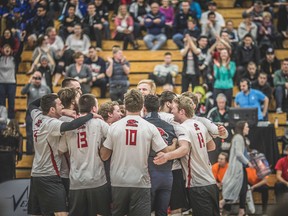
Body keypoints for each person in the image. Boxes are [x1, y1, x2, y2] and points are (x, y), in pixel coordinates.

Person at [99, 89, 169, 216]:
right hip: (141, 181)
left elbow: (104, 156)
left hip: (118, 181)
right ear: (142, 106)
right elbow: (164, 153)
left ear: (125, 106)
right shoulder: (150, 127)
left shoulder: (114, 127)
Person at [27, 94, 98, 215]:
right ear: (52, 109)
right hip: (49, 176)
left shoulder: (37, 116)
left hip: (35, 174)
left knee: (37, 213)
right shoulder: (51, 124)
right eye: (60, 104)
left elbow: (32, 105)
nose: (63, 106)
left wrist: (53, 96)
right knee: (61, 213)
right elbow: (72, 125)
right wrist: (91, 115)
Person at [155, 95, 219, 216]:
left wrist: (166, 156)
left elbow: (184, 149)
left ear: (182, 111)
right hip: (210, 182)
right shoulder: (199, 124)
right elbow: (211, 146)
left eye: (174, 109)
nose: (172, 112)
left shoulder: (182, 127)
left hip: (197, 184)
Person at [59, 94, 111, 216]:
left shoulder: (70, 126)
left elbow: (60, 150)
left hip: (76, 181)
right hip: (97, 179)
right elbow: (115, 140)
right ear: (94, 109)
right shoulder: (99, 123)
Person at [143, 94, 178, 216]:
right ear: (159, 109)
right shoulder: (169, 126)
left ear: (144, 108)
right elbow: (176, 148)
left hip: (148, 173)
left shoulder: (142, 124)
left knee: (145, 212)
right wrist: (173, 145)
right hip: (167, 175)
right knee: (162, 212)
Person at [220, 121, 252, 216]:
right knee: (236, 188)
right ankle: (222, 203)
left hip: (240, 167)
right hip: (238, 168)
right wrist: (248, 162)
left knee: (243, 188)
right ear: (242, 128)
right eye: (247, 127)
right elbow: (238, 153)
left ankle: (241, 211)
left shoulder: (241, 138)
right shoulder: (238, 138)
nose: (248, 128)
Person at [21, 71, 51, 155]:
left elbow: (51, 99)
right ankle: (29, 152)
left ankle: (41, 152)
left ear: (42, 79)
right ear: (33, 78)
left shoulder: (46, 88)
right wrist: (30, 81)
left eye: (39, 78)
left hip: (43, 114)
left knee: (43, 133)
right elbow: (22, 92)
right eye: (35, 78)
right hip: (30, 113)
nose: (37, 80)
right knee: (30, 133)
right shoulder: (29, 87)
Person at [0, 34, 24, 119]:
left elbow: (20, 51)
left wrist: (21, 40)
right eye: (5, 48)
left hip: (11, 83)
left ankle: (10, 121)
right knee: (1, 103)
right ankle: (2, 120)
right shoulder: (0, 58)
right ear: (2, 50)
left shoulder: (14, 59)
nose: (7, 49)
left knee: (11, 103)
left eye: (8, 48)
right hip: (1, 83)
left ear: (11, 50)